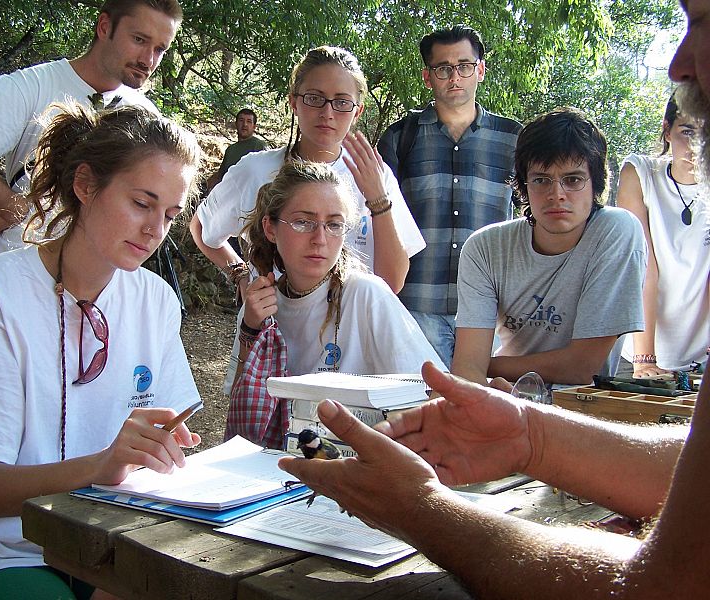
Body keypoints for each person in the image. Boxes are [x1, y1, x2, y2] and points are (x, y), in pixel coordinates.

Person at [278, 4, 710, 593]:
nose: (679, 62)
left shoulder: (613, 229)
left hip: (575, 407)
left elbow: (667, 583)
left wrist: (422, 510)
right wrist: (528, 434)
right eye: (540, 180)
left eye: (704, 21)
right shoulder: (464, 217)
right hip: (499, 387)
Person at [0, 103, 203, 600]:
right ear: (86, 186)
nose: (156, 230)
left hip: (113, 546)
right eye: (141, 203)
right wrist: (99, 466)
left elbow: (171, 446)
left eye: (170, 215)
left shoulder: (154, 300)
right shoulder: (0, 289)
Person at [0, 0, 182, 253]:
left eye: (160, 49)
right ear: (104, 27)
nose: (148, 60)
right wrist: (12, 208)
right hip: (24, 269)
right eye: (139, 40)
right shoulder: (34, 86)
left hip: (101, 285)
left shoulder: (146, 115)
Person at [190, 45, 425, 297]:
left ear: (358, 111)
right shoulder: (255, 170)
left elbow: (392, 282)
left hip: (351, 330)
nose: (327, 113)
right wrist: (239, 274)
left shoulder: (375, 175)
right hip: (272, 329)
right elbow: (202, 229)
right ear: (293, 102)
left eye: (342, 102)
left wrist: (377, 198)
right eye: (314, 98)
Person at [450, 108, 646, 389]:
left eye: (573, 179)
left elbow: (582, 369)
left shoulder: (616, 230)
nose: (557, 194)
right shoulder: (484, 248)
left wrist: (486, 365)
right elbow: (467, 371)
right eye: (542, 180)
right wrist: (476, 373)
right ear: (524, 186)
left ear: (596, 184)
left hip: (581, 407)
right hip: (504, 397)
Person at [377, 25, 522, 367]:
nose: (454, 76)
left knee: (486, 411)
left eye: (464, 65)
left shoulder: (513, 139)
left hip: (490, 309)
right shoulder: (401, 137)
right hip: (417, 305)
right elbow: (378, 220)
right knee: (421, 410)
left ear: (480, 70)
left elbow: (530, 221)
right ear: (428, 77)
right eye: (443, 68)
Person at [235, 160, 444, 378]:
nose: (320, 239)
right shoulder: (259, 306)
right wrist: (250, 331)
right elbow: (240, 402)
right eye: (303, 222)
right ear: (270, 228)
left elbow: (430, 387)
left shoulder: (366, 295)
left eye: (334, 225)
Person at [616, 93, 709, 377]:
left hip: (698, 356)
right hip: (635, 348)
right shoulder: (640, 173)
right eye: (687, 131)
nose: (696, 146)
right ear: (667, 130)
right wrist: (645, 359)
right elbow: (643, 265)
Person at [206, 108, 269, 191]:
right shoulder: (230, 150)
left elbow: (267, 175)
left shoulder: (259, 145)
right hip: (229, 195)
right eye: (241, 120)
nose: (245, 124)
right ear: (236, 124)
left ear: (254, 127)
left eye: (249, 121)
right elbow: (221, 175)